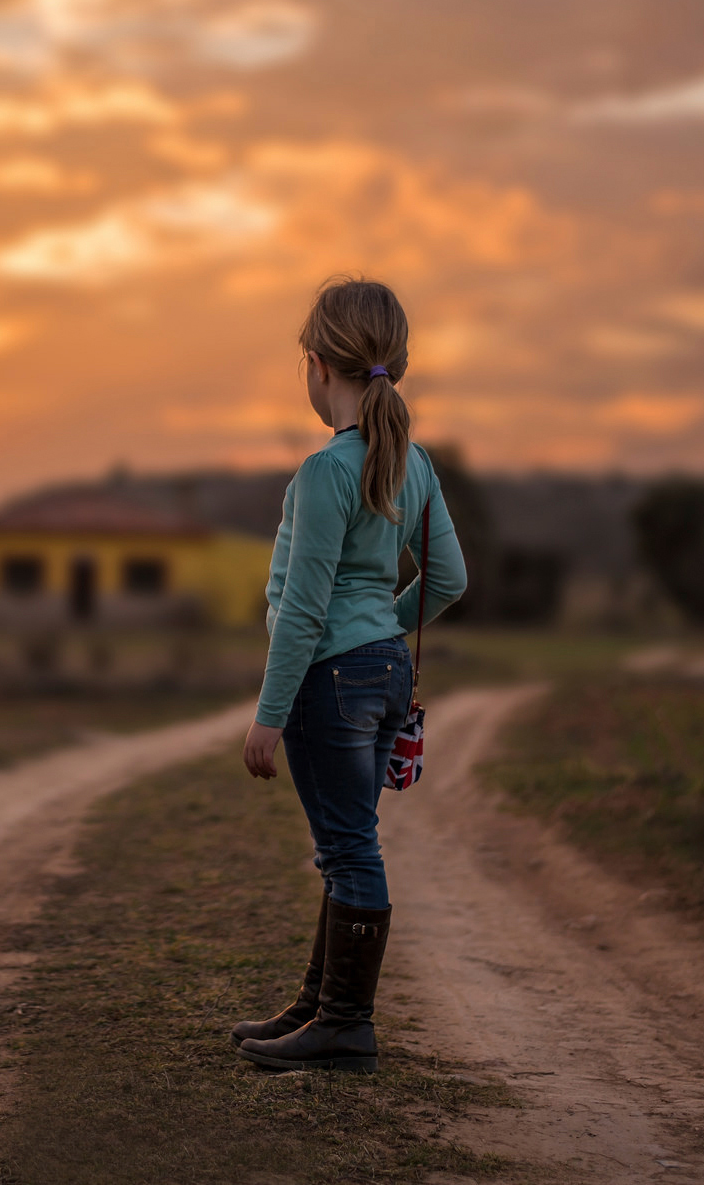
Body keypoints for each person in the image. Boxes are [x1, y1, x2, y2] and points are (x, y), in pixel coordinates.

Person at [233, 276, 466, 1073]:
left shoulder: (324, 473)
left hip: (329, 683)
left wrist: (269, 714)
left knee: (348, 848)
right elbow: (447, 580)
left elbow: (302, 610)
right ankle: (317, 1006)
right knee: (346, 844)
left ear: (318, 365)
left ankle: (344, 1024)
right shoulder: (417, 464)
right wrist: (380, 634)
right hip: (385, 674)